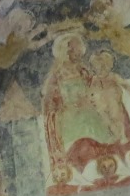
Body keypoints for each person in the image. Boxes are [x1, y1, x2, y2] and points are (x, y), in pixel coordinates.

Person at [43, 34, 122, 173]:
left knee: (100, 132)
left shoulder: (83, 70)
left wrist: (94, 98)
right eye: (74, 49)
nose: (78, 53)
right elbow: (49, 102)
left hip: (89, 111)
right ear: (65, 51)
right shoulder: (56, 76)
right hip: (69, 117)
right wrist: (69, 106)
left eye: (78, 48)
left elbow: (94, 87)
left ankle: (102, 163)